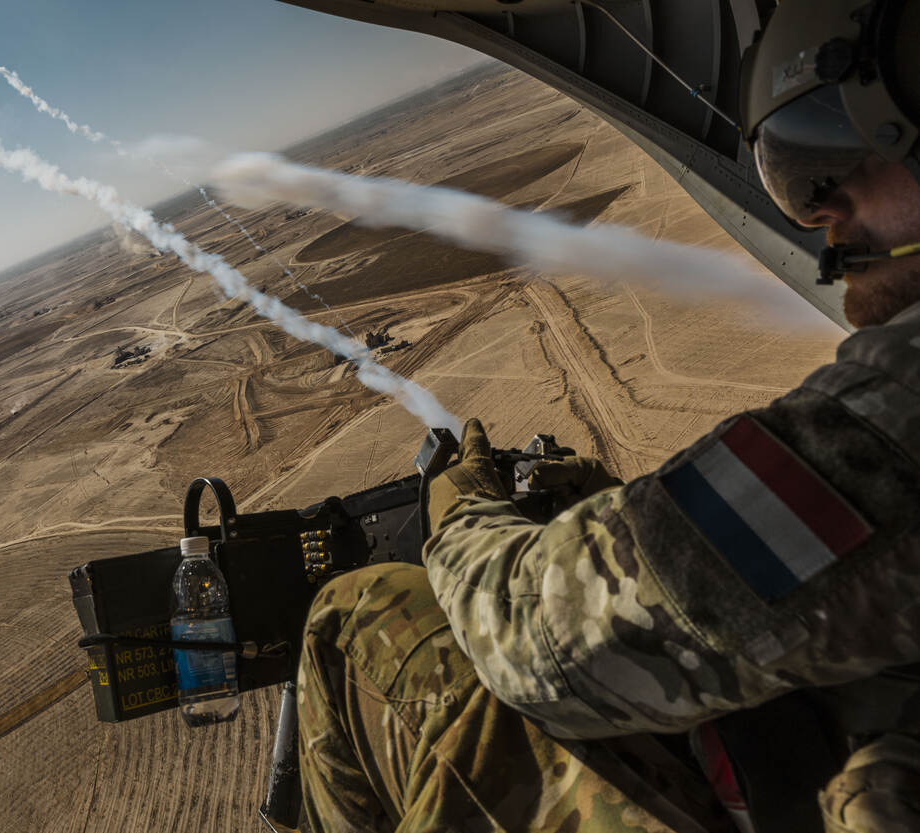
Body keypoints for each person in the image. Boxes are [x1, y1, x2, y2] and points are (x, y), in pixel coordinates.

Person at [296, 1, 920, 831]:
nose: (818, 212)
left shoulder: (899, 412)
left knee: (357, 619)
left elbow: (537, 644)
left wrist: (463, 515)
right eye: (796, 176)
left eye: (830, 159)